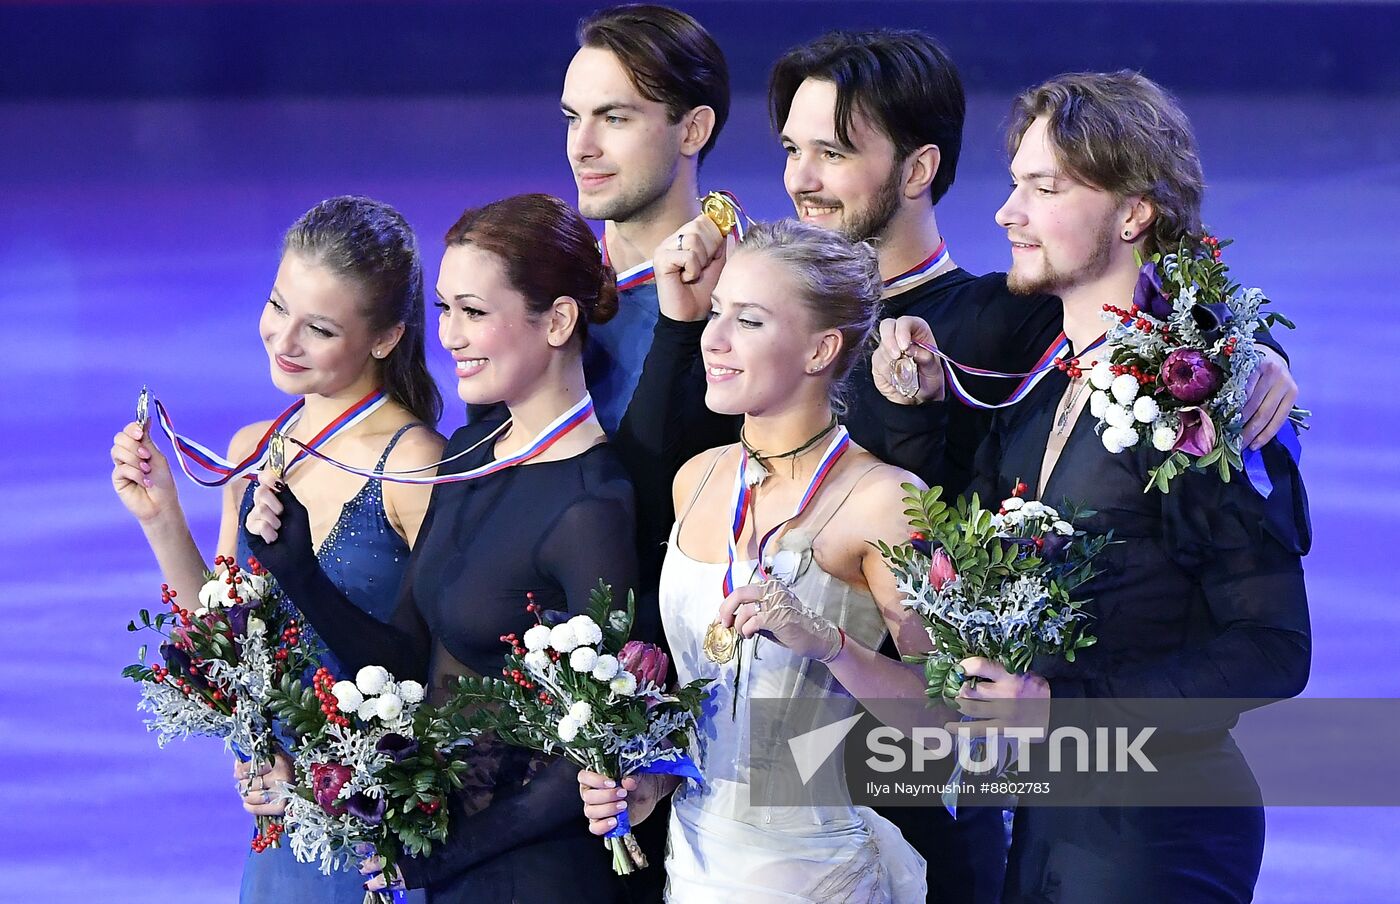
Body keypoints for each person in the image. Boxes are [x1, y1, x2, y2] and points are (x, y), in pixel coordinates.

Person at [955, 71, 1310, 903]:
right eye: (1015, 185)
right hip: (1050, 825)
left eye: (1044, 189)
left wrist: (1056, 706)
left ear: (1134, 212)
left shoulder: (1208, 402)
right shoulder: (1038, 385)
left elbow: (1272, 650)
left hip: (1159, 832)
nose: (1009, 213)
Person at [244, 194, 636, 903]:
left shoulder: (593, 506)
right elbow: (404, 666)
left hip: (537, 879)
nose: (449, 335)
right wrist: (297, 569)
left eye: (474, 312)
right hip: (451, 868)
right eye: (446, 309)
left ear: (558, 321)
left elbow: (589, 760)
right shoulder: (469, 450)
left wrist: (430, 860)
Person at [579, 219, 931, 902]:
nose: (714, 340)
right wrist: (648, 780)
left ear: (820, 349)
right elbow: (710, 700)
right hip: (695, 865)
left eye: (749, 321)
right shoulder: (699, 479)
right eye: (716, 314)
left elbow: (954, 724)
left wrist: (828, 644)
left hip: (813, 876)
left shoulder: (885, 500)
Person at [109, 195, 444, 903]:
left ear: (384, 338)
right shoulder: (255, 449)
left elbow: (450, 681)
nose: (283, 339)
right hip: (277, 843)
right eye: (276, 306)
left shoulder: (412, 465)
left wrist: (332, 778)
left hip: (377, 848)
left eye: (318, 328)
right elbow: (223, 642)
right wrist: (162, 516)